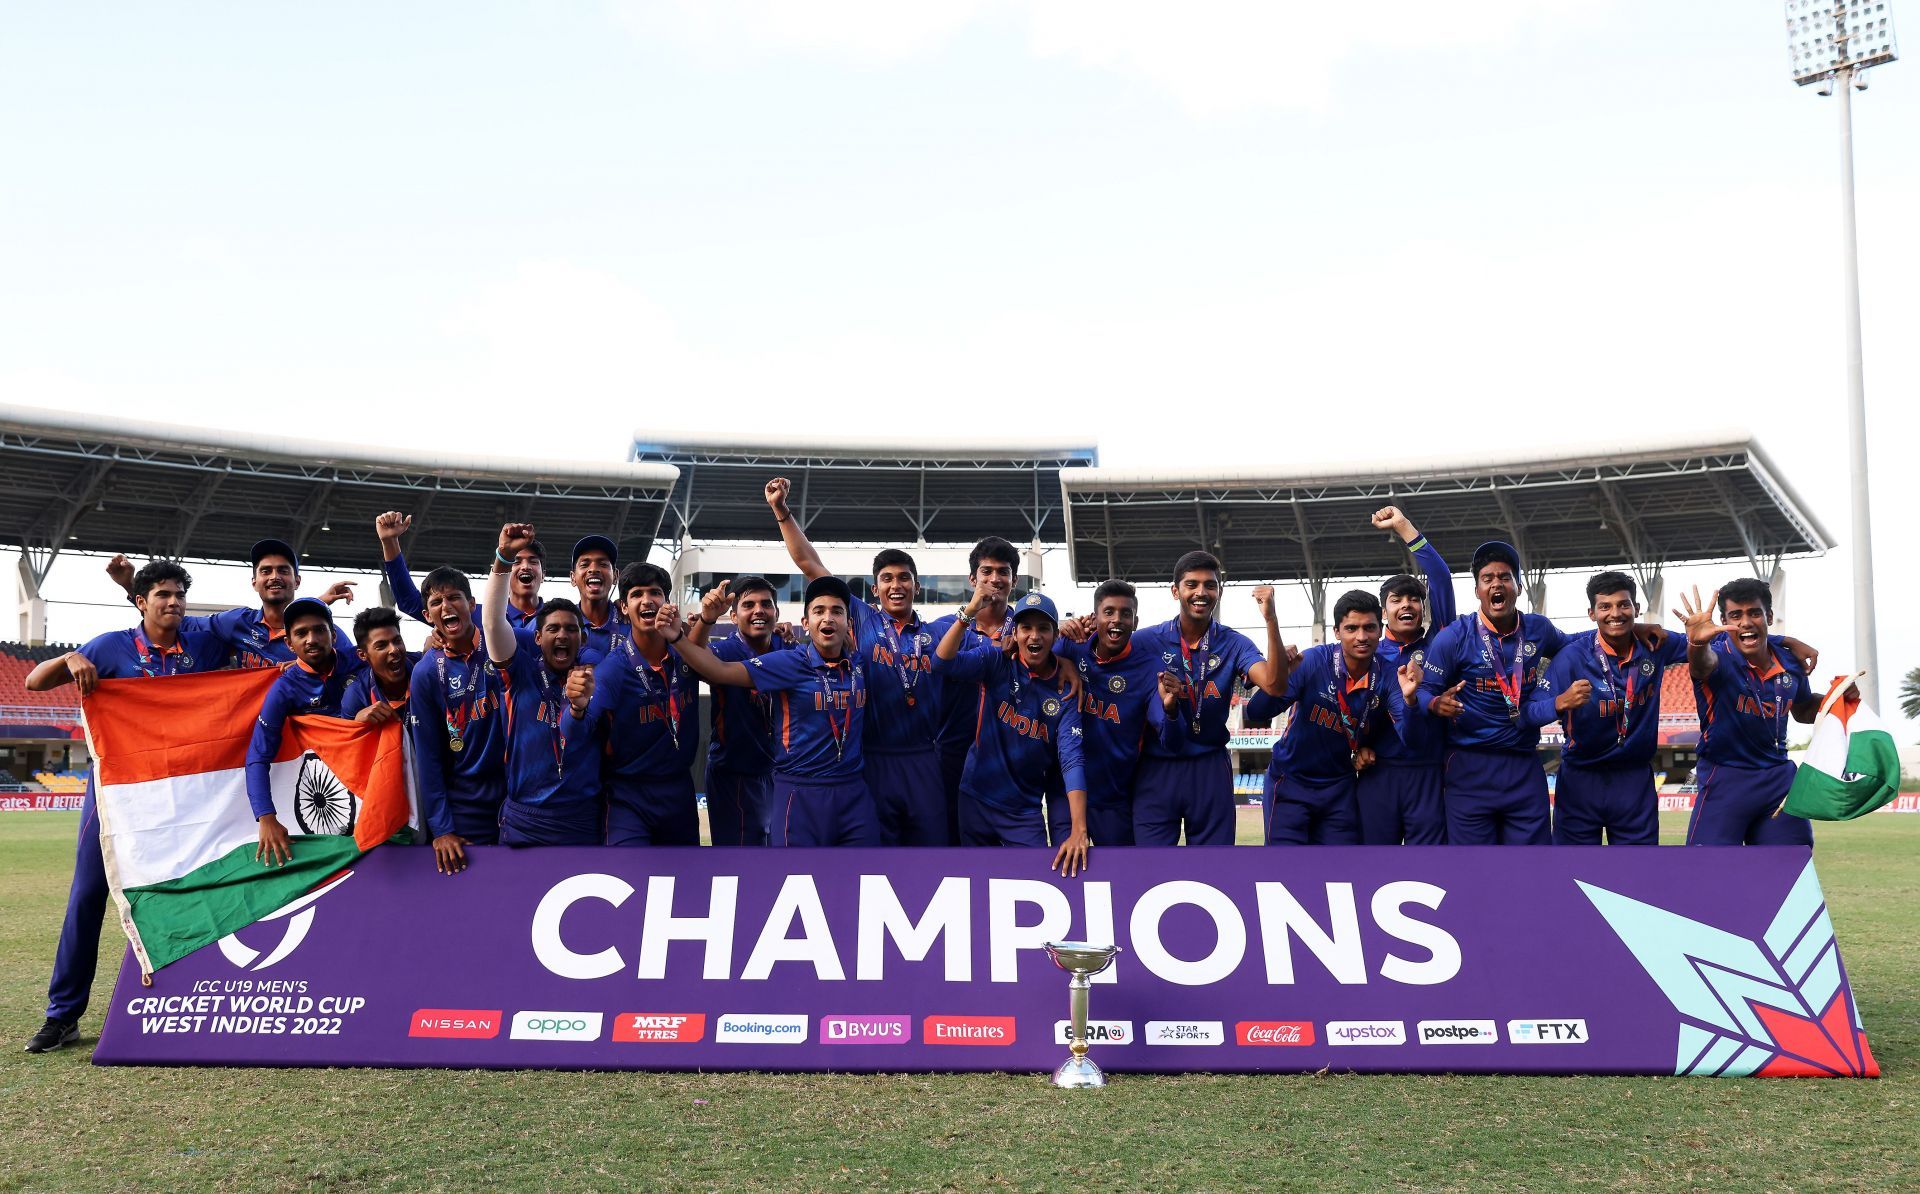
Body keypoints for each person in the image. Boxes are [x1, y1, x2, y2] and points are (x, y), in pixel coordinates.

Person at [21, 561, 226, 1055]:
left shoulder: (204, 643)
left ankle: (196, 1004)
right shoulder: (110, 646)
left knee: (196, 888)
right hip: (117, 793)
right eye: (162, 594)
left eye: (178, 594)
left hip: (187, 794)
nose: (173, 602)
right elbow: (32, 683)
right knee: (88, 894)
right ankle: (62, 1016)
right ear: (140, 602)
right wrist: (69, 658)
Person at [765, 477, 947, 845]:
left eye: (904, 578)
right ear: (874, 588)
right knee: (876, 861)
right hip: (875, 757)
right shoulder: (860, 617)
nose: (896, 585)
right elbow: (807, 561)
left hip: (925, 757)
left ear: (916, 586)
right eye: (887, 579)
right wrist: (781, 511)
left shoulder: (938, 633)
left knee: (932, 853)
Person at [667, 575, 878, 846]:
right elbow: (706, 666)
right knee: (751, 864)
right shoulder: (778, 658)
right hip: (747, 774)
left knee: (860, 874)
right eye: (819, 611)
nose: (758, 611)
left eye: (837, 612)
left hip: (824, 781)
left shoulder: (832, 656)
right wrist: (684, 634)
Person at [1515, 572, 1688, 845]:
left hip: (1634, 778)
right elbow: (1526, 714)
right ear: (1591, 613)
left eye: (1623, 605)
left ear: (1637, 609)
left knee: (1640, 876)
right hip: (1581, 780)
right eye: (1605, 607)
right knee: (1573, 874)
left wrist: (1778, 641)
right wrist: (1559, 703)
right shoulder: (1572, 657)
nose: (1615, 613)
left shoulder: (1655, 644)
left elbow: (1719, 645)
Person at [1131, 553, 1291, 846]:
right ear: (1175, 591)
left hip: (1209, 767)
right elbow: (1102, 659)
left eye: (1210, 585)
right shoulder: (1145, 641)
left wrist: (1270, 619)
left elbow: (1275, 685)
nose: (1201, 592)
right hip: (1156, 767)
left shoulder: (1234, 643)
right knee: (1148, 867)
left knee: (1214, 868)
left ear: (1219, 591)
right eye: (1191, 584)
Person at [933, 589, 1090, 874]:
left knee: (1037, 880)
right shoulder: (996, 661)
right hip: (974, 799)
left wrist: (1079, 829)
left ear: (1055, 637)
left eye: (1043, 629)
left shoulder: (1066, 689)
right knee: (976, 884)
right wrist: (967, 613)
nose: (1034, 636)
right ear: (1014, 634)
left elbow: (1072, 758)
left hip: (1023, 811)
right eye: (1026, 628)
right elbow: (942, 662)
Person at [1247, 591, 1419, 845]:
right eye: (1351, 628)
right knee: (1283, 872)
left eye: (1369, 628)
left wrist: (1411, 701)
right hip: (1291, 783)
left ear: (1380, 630)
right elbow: (1256, 712)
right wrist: (1278, 675)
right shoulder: (1313, 661)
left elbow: (1410, 737)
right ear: (1337, 632)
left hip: (1340, 788)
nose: (1361, 637)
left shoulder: (1390, 675)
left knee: (1340, 874)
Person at [483, 524, 607, 847]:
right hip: (525, 821)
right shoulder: (520, 672)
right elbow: (493, 623)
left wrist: (579, 706)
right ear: (537, 638)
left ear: (582, 637)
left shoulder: (594, 676)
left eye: (571, 629)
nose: (562, 635)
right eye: (553, 629)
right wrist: (502, 559)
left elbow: (579, 732)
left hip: (580, 822)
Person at [1676, 580, 1824, 846]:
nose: (1745, 622)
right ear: (1723, 621)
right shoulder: (1718, 657)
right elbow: (1701, 666)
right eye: (1736, 615)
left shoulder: (1790, 661)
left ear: (1768, 617)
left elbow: (1802, 710)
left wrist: (1836, 699)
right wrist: (1696, 645)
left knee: (1790, 868)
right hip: (1726, 776)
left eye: (1754, 613)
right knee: (1706, 873)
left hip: (1778, 778)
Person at [242, 597, 370, 866]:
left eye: (319, 630)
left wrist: (433, 646)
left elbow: (404, 665)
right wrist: (266, 817)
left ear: (333, 635)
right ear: (289, 644)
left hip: (372, 783)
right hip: (328, 798)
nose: (311, 639)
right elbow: (257, 755)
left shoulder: (359, 660)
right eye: (301, 633)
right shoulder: (284, 688)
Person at [1356, 505, 1455, 845]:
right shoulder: (1364, 653)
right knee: (1373, 867)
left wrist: (1404, 527)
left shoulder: (1440, 643)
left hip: (1429, 774)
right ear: (1383, 612)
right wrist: (1353, 751)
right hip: (1377, 774)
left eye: (1415, 599)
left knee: (1430, 870)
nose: (1407, 606)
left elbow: (1440, 578)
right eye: (1397, 600)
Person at [108, 539, 356, 669]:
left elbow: (355, 670)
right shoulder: (237, 623)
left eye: (283, 570)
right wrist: (131, 586)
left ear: (297, 580)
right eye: (266, 571)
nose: (274, 577)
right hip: (261, 744)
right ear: (254, 582)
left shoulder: (326, 634)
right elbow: (171, 619)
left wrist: (308, 667)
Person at [407, 566, 506, 874]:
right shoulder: (425, 673)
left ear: (472, 605)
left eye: (454, 598)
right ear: (427, 615)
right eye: (437, 602)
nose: (446, 607)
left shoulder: (502, 645)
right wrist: (442, 827)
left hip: (514, 799)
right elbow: (428, 755)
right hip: (465, 808)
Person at [596, 562, 703, 846]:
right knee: (628, 879)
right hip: (628, 796)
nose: (647, 600)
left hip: (679, 790)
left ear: (667, 602)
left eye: (655, 592)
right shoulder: (612, 670)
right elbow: (579, 729)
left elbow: (721, 666)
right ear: (623, 607)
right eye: (637, 594)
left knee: (684, 883)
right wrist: (578, 708)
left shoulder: (687, 655)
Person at [1052, 580, 1161, 846]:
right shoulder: (1071, 646)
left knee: (1119, 880)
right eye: (1109, 612)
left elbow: (1162, 723)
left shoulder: (1149, 667)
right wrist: (1058, 636)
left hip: (1114, 798)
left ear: (1136, 622)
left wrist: (1169, 706)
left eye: (1126, 614)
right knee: (1065, 873)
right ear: (1094, 617)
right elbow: (1036, 663)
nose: (1117, 620)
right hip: (1063, 792)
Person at [928, 537, 1021, 841]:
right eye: (987, 571)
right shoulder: (945, 628)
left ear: (1014, 580)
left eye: (1003, 572)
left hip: (1008, 757)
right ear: (972, 579)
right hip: (951, 755)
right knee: (951, 845)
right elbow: (939, 663)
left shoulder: (1028, 629)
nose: (995, 579)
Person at [698, 577, 790, 847]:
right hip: (733, 774)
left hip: (782, 773)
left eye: (766, 604)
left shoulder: (790, 649)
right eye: (748, 605)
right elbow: (690, 658)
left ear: (777, 612)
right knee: (737, 861)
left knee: (784, 857)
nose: (758, 610)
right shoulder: (723, 650)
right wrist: (705, 621)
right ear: (734, 615)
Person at [341, 607, 412, 722]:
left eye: (397, 641)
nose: (394, 650)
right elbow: (346, 738)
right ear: (362, 655)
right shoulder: (356, 696)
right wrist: (357, 725)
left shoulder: (427, 665)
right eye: (381, 645)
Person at [569, 534, 628, 665]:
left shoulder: (632, 621)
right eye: (585, 564)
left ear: (615, 576)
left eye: (603, 564)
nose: (594, 569)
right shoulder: (559, 624)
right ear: (573, 578)